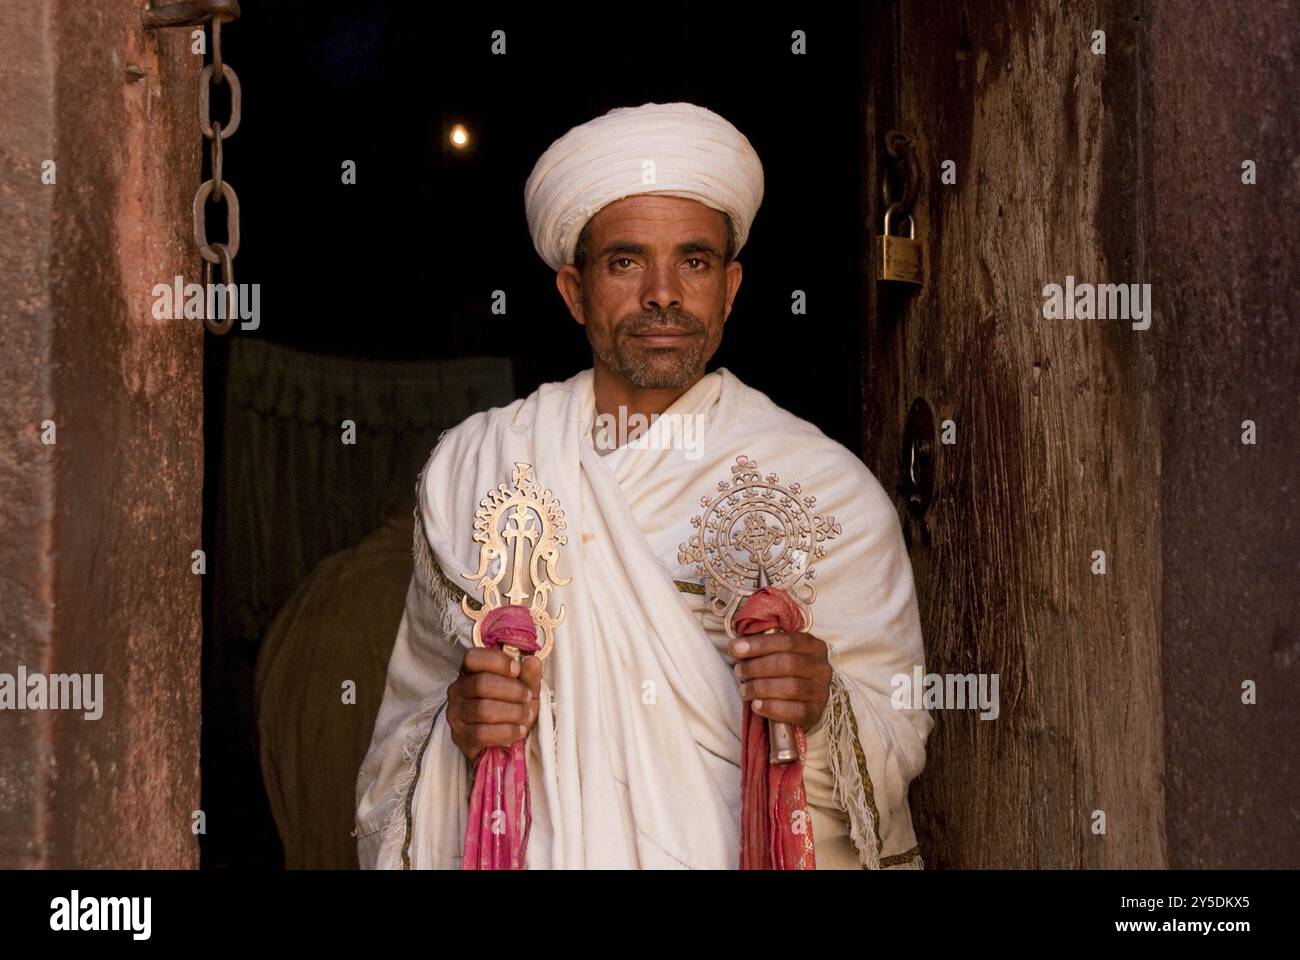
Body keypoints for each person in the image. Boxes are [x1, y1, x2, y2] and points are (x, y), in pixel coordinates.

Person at [355, 101, 932, 869]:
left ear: (729, 288)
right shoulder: (482, 467)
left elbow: (898, 743)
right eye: (626, 262)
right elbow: (401, 739)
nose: (663, 293)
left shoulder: (825, 490)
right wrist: (460, 722)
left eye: (693, 262)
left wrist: (822, 707)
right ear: (573, 290)